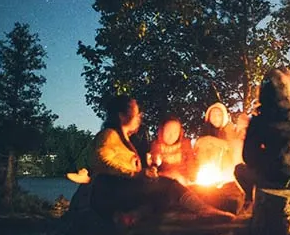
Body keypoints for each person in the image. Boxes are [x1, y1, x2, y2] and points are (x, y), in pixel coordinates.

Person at [89, 95, 235, 224]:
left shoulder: (126, 138)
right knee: (169, 184)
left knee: (162, 194)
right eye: (136, 112)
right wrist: (136, 174)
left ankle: (132, 216)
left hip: (121, 188)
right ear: (122, 116)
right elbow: (101, 160)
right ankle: (204, 210)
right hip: (112, 189)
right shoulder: (109, 134)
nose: (140, 116)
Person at [234, 68, 290, 210]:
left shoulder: (261, 119)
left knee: (240, 170)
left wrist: (267, 158)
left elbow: (248, 157)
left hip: (281, 179)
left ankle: (252, 203)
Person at [195, 101, 244, 181]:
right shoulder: (206, 131)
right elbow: (197, 147)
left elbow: (232, 146)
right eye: (213, 115)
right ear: (209, 117)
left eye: (219, 115)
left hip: (228, 170)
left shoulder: (229, 129)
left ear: (224, 116)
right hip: (209, 170)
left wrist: (211, 140)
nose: (216, 118)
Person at [149, 115, 195, 185]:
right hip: (165, 180)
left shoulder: (185, 144)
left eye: (175, 132)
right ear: (162, 131)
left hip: (183, 181)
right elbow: (154, 161)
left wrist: (192, 177)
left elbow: (190, 161)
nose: (171, 135)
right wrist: (154, 168)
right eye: (168, 131)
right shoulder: (157, 145)